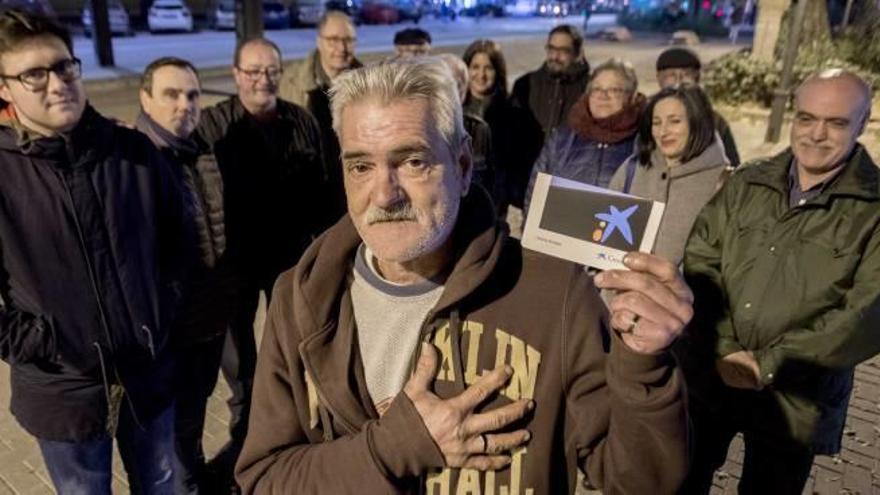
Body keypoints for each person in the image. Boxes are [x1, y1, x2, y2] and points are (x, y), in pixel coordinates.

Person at [235, 58, 693, 494]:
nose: (384, 193)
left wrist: (643, 367)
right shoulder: (301, 298)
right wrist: (395, 447)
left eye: (412, 161)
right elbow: (265, 478)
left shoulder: (556, 294)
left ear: (463, 166)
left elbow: (640, 482)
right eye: (361, 166)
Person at [0, 10, 190, 494]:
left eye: (64, 67)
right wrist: (43, 343)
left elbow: (180, 244)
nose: (57, 83)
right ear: (4, 87)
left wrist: (161, 312)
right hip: (64, 390)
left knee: (162, 484)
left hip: (149, 376)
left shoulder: (133, 153)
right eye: (33, 74)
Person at [680, 69, 880, 494]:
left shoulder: (874, 209)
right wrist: (725, 346)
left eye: (837, 122)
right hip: (713, 375)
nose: (816, 134)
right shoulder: (748, 182)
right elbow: (701, 258)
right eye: (806, 118)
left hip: (795, 400)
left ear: (862, 123)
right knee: (681, 478)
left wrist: (766, 364)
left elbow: (866, 313)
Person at [196, 37, 327, 490]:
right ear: (235, 75)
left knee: (293, 345)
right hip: (233, 266)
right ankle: (244, 440)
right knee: (240, 361)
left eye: (270, 70)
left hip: (290, 260)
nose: (262, 79)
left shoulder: (301, 121)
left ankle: (293, 428)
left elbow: (324, 191)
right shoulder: (212, 125)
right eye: (252, 71)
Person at [136, 56, 236, 494]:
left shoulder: (200, 150)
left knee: (191, 423)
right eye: (171, 95)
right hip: (166, 337)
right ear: (146, 99)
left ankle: (192, 477)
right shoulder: (134, 163)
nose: (185, 105)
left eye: (192, 95)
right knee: (172, 437)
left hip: (206, 324)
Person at [608, 84, 730, 267]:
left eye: (674, 121)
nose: (663, 132)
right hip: (613, 293)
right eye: (656, 123)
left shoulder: (724, 182)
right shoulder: (631, 168)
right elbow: (599, 239)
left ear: (697, 123)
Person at [524, 58, 646, 215]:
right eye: (596, 89)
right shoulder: (562, 138)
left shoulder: (645, 140)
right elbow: (535, 192)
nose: (603, 96)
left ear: (631, 96)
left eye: (614, 90)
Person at [280, 11, 363, 218]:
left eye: (348, 40)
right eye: (333, 40)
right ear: (319, 41)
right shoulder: (291, 82)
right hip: (311, 193)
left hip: (355, 191)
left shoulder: (368, 82)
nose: (342, 49)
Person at [463, 39, 543, 213]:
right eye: (475, 67)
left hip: (494, 206)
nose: (481, 75)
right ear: (466, 69)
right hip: (457, 200)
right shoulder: (453, 110)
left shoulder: (513, 115)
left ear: (498, 72)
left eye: (488, 68)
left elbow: (518, 165)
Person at [655, 47, 740, 167]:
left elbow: (733, 168)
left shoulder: (714, 122)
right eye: (671, 75)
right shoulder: (646, 119)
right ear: (659, 79)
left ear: (697, 78)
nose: (679, 81)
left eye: (686, 74)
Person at [437, 53, 497, 212]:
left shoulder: (479, 128)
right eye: (447, 82)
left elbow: (490, 183)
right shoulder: (414, 128)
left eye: (460, 83)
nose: (455, 90)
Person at [510, 25, 590, 140]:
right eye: (551, 49)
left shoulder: (589, 88)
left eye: (563, 51)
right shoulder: (525, 84)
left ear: (577, 54)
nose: (555, 57)